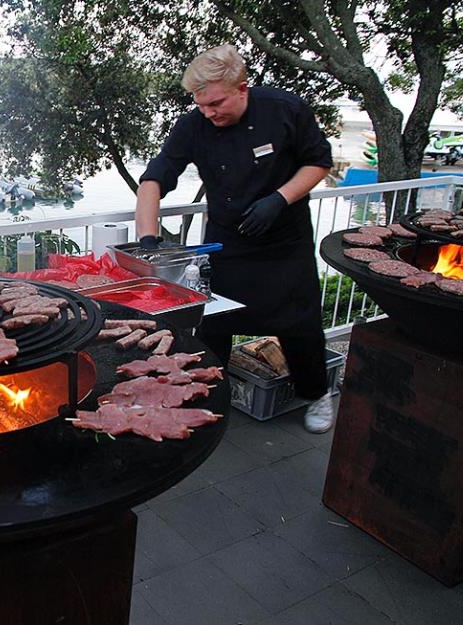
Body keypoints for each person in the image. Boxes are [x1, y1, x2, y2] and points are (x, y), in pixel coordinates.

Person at [134, 45, 335, 433]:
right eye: (201, 105)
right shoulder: (192, 126)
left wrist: (279, 199)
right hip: (227, 243)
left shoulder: (285, 109)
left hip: (284, 241)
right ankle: (208, 395)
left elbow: (318, 162)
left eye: (216, 103)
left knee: (301, 324)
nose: (209, 113)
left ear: (242, 88)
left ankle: (317, 393)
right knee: (215, 324)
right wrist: (147, 238)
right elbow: (153, 180)